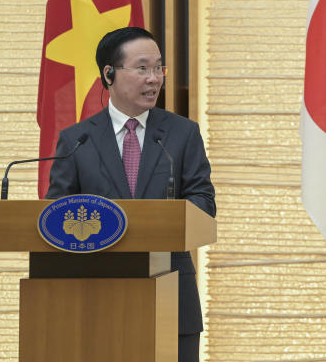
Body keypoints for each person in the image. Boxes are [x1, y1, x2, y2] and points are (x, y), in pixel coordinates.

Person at [46, 27, 215, 362]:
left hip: (172, 296)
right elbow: (56, 212)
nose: (154, 79)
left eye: (158, 68)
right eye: (142, 68)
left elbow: (203, 202)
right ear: (109, 74)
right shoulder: (76, 140)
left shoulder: (182, 134)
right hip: (95, 299)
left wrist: (159, 221)